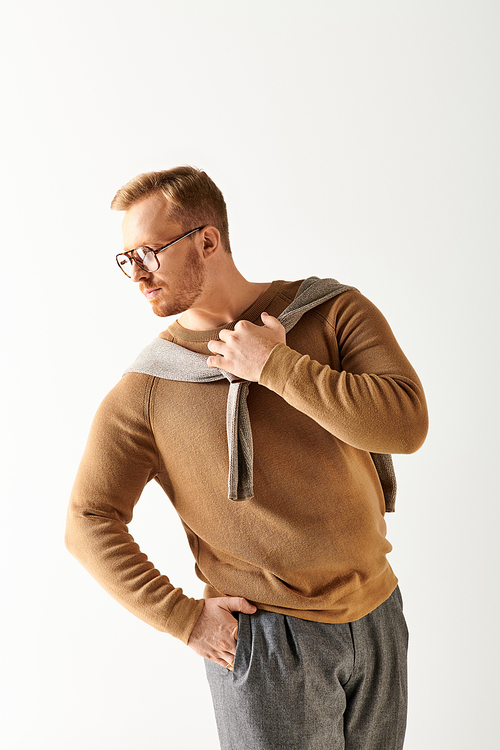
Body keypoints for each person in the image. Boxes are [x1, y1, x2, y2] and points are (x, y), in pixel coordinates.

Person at [65, 166, 428, 750]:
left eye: (149, 252)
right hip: (265, 641)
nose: (137, 275)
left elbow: (406, 425)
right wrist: (182, 618)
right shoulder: (149, 388)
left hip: (379, 611)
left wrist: (276, 367)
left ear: (207, 241)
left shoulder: (330, 311)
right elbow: (87, 521)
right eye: (126, 258)